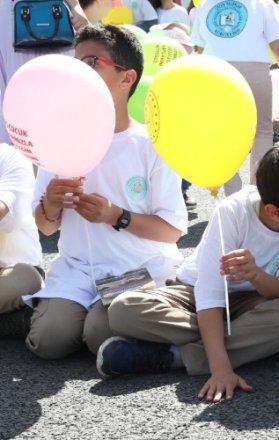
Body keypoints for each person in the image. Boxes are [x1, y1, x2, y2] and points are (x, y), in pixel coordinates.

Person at [96, 144, 279, 402]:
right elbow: (209, 294)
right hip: (193, 294)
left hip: (255, 302)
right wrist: (221, 369)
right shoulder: (233, 211)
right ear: (274, 211)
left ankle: (175, 357)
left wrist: (256, 275)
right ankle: (268, 345)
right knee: (123, 310)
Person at [26, 24, 187, 360]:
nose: (77, 74)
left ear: (126, 78)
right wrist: (50, 203)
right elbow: (44, 227)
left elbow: (173, 229)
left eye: (91, 63)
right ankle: (46, 316)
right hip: (78, 270)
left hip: (138, 268)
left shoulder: (151, 145)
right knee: (49, 341)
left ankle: (157, 318)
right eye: (75, 62)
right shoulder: (58, 140)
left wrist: (116, 216)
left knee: (99, 333)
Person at [191, 0, 279, 195]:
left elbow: (198, 48)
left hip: (215, 72)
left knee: (222, 132)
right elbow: (277, 43)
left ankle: (232, 190)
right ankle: (257, 190)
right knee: (262, 130)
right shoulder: (263, 4)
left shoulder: (204, 6)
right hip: (254, 68)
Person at [0, 0, 96, 145]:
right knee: (17, 98)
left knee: (64, 93)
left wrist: (76, 6)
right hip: (13, 19)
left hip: (55, 16)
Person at [0, 144, 44, 339]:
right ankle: (18, 322)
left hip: (10, 271)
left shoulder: (10, 157)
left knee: (25, 278)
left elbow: (2, 209)